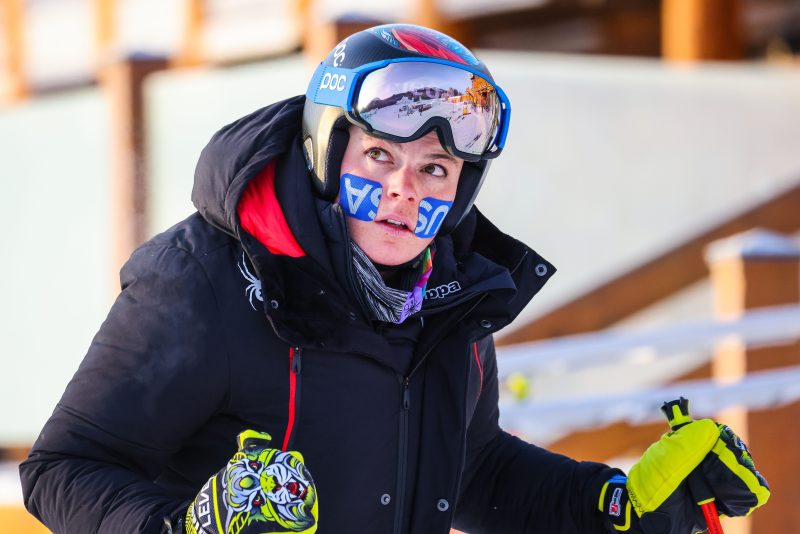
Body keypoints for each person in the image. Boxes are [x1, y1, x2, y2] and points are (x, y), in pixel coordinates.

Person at [19, 23, 768, 534]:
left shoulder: (448, 295)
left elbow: (473, 471)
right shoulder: (205, 281)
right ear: (326, 152)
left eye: (436, 168)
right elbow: (62, 470)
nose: (405, 191)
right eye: (379, 156)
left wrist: (613, 507)